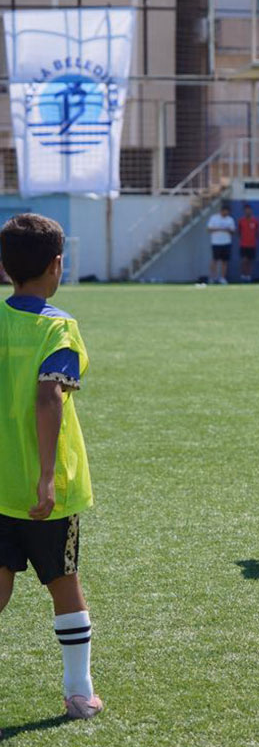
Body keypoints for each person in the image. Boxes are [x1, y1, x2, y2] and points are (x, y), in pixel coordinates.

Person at [0, 214, 103, 720]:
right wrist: (44, 475)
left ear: (4, 266)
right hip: (47, 490)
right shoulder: (59, 328)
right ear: (57, 265)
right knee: (64, 583)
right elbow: (48, 396)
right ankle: (78, 691)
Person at [207, 202, 236, 285]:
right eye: (225, 211)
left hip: (226, 242)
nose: (226, 213)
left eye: (228, 211)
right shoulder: (214, 218)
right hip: (216, 242)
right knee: (214, 260)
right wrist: (220, 228)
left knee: (225, 261)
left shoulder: (230, 219)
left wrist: (227, 230)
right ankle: (213, 277)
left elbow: (233, 231)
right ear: (222, 211)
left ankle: (222, 278)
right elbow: (209, 229)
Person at [237, 204, 259, 283]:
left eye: (249, 210)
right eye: (246, 210)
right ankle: (243, 275)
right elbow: (239, 232)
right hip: (243, 244)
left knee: (250, 261)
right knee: (244, 260)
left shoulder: (255, 221)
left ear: (251, 211)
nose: (247, 211)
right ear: (244, 211)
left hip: (252, 244)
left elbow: (258, 232)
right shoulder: (241, 221)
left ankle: (248, 276)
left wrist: (254, 238)